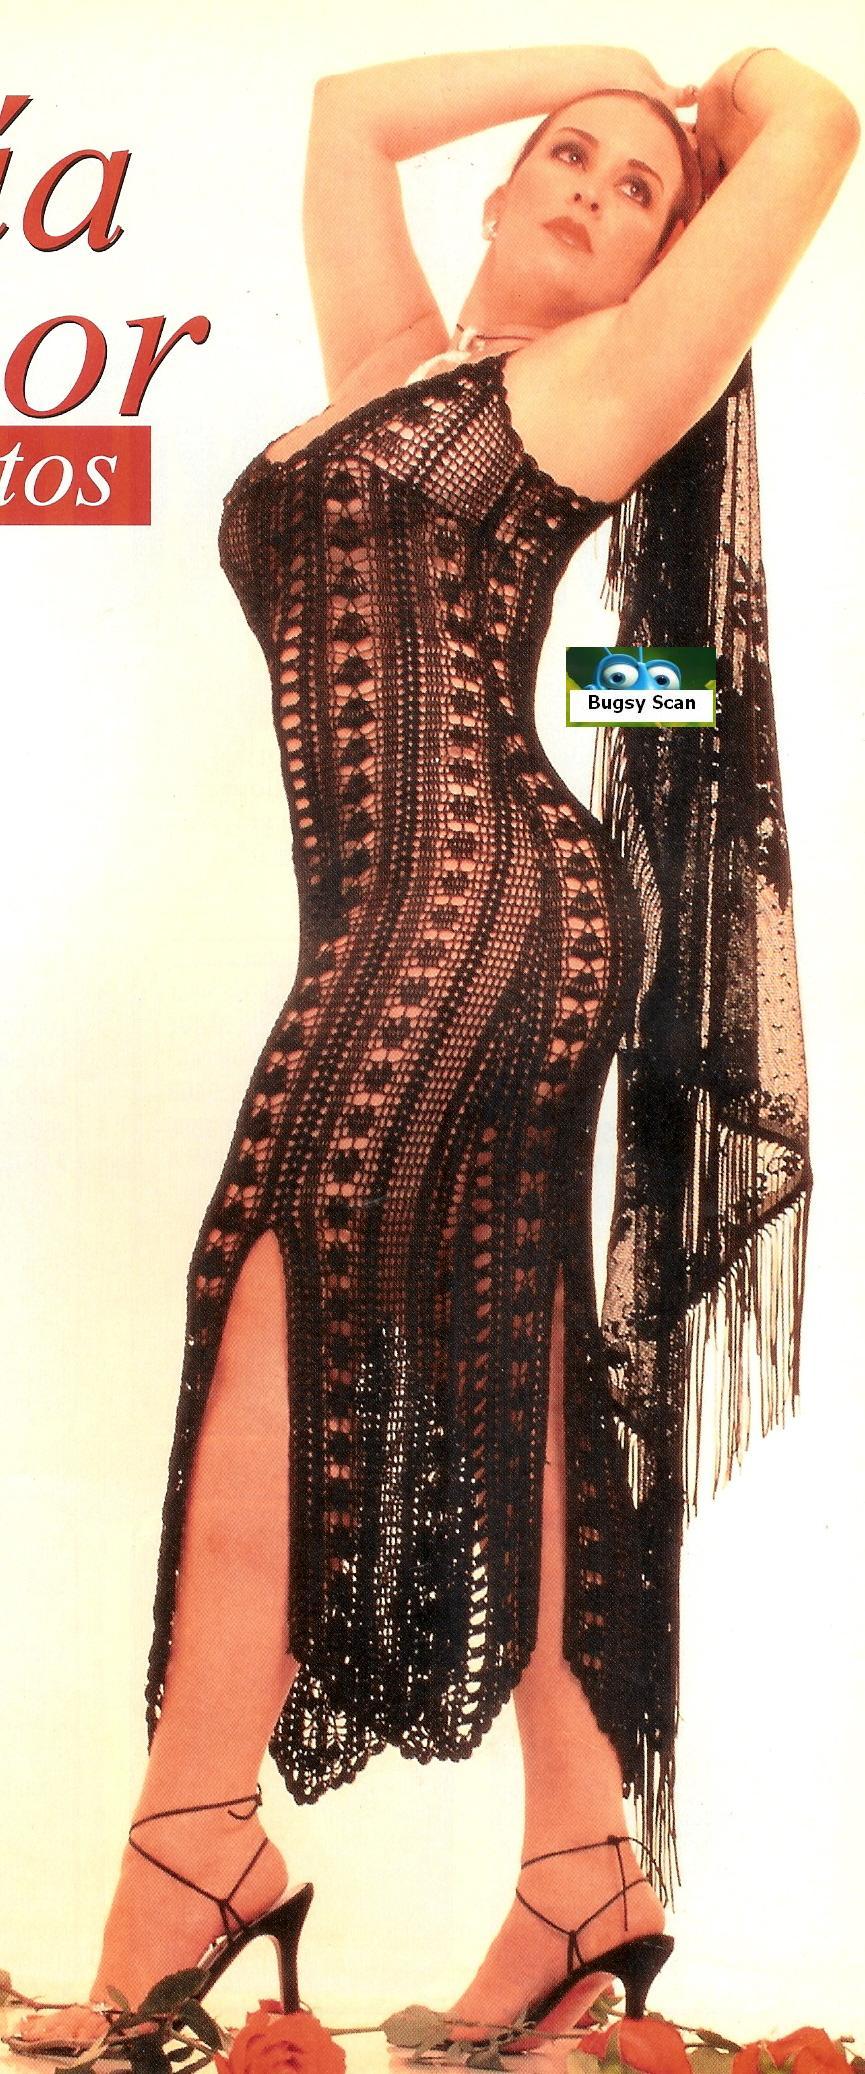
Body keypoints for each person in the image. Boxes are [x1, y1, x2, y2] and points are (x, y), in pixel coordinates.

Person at [10, 40, 858, 2061]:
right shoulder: (399, 368)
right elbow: (344, 116)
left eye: (636, 194)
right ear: (495, 187)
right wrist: (608, 70)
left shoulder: (610, 379)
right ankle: (583, 1873)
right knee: (522, 1377)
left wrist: (698, 110)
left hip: (477, 918)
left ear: (661, 265)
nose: (588, 191)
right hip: (412, 923)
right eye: (564, 159)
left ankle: (189, 1846)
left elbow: (814, 117)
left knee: (274, 1288)